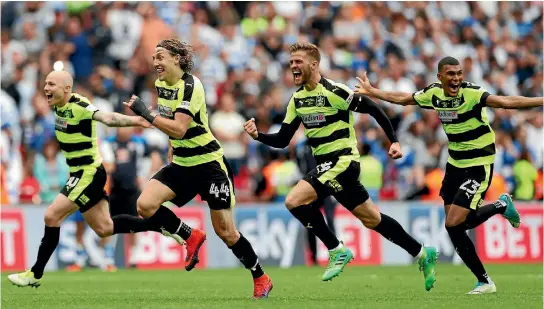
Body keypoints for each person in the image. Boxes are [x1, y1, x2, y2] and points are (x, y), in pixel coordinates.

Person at [243, 42, 437, 291]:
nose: (292, 67)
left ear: (314, 64)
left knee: (294, 200)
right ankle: (422, 253)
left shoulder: (334, 91)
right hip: (328, 167)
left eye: (297, 61)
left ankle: (336, 249)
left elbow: (373, 108)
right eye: (291, 62)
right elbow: (282, 140)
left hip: (343, 161)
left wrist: (395, 141)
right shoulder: (298, 100)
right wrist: (258, 135)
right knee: (372, 219)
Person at [354, 56, 543, 294]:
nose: (456, 78)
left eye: (459, 73)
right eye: (451, 74)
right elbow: (404, 99)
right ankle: (484, 280)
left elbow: (506, 101)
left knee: (455, 221)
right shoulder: (434, 94)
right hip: (454, 163)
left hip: (478, 163)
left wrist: (541, 100)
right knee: (453, 226)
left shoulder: (472, 94)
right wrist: (373, 91)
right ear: (439, 77)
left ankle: (499, 207)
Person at [123, 38, 273, 299]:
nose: (155, 62)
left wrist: (146, 114)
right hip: (182, 162)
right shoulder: (161, 85)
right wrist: (171, 146)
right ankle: (189, 235)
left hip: (208, 164)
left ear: (177, 59)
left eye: (161, 57)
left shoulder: (192, 86)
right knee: (145, 205)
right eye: (154, 57)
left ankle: (260, 276)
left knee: (226, 232)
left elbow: (180, 127)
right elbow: (171, 123)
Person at [8, 70, 165, 288]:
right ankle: (161, 225)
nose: (46, 88)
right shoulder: (57, 107)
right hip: (79, 173)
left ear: (67, 89)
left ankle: (35, 274)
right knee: (104, 228)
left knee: (52, 215)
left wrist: (137, 120)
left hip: (88, 172)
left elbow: (108, 118)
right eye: (46, 83)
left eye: (52, 84)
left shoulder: (79, 105)